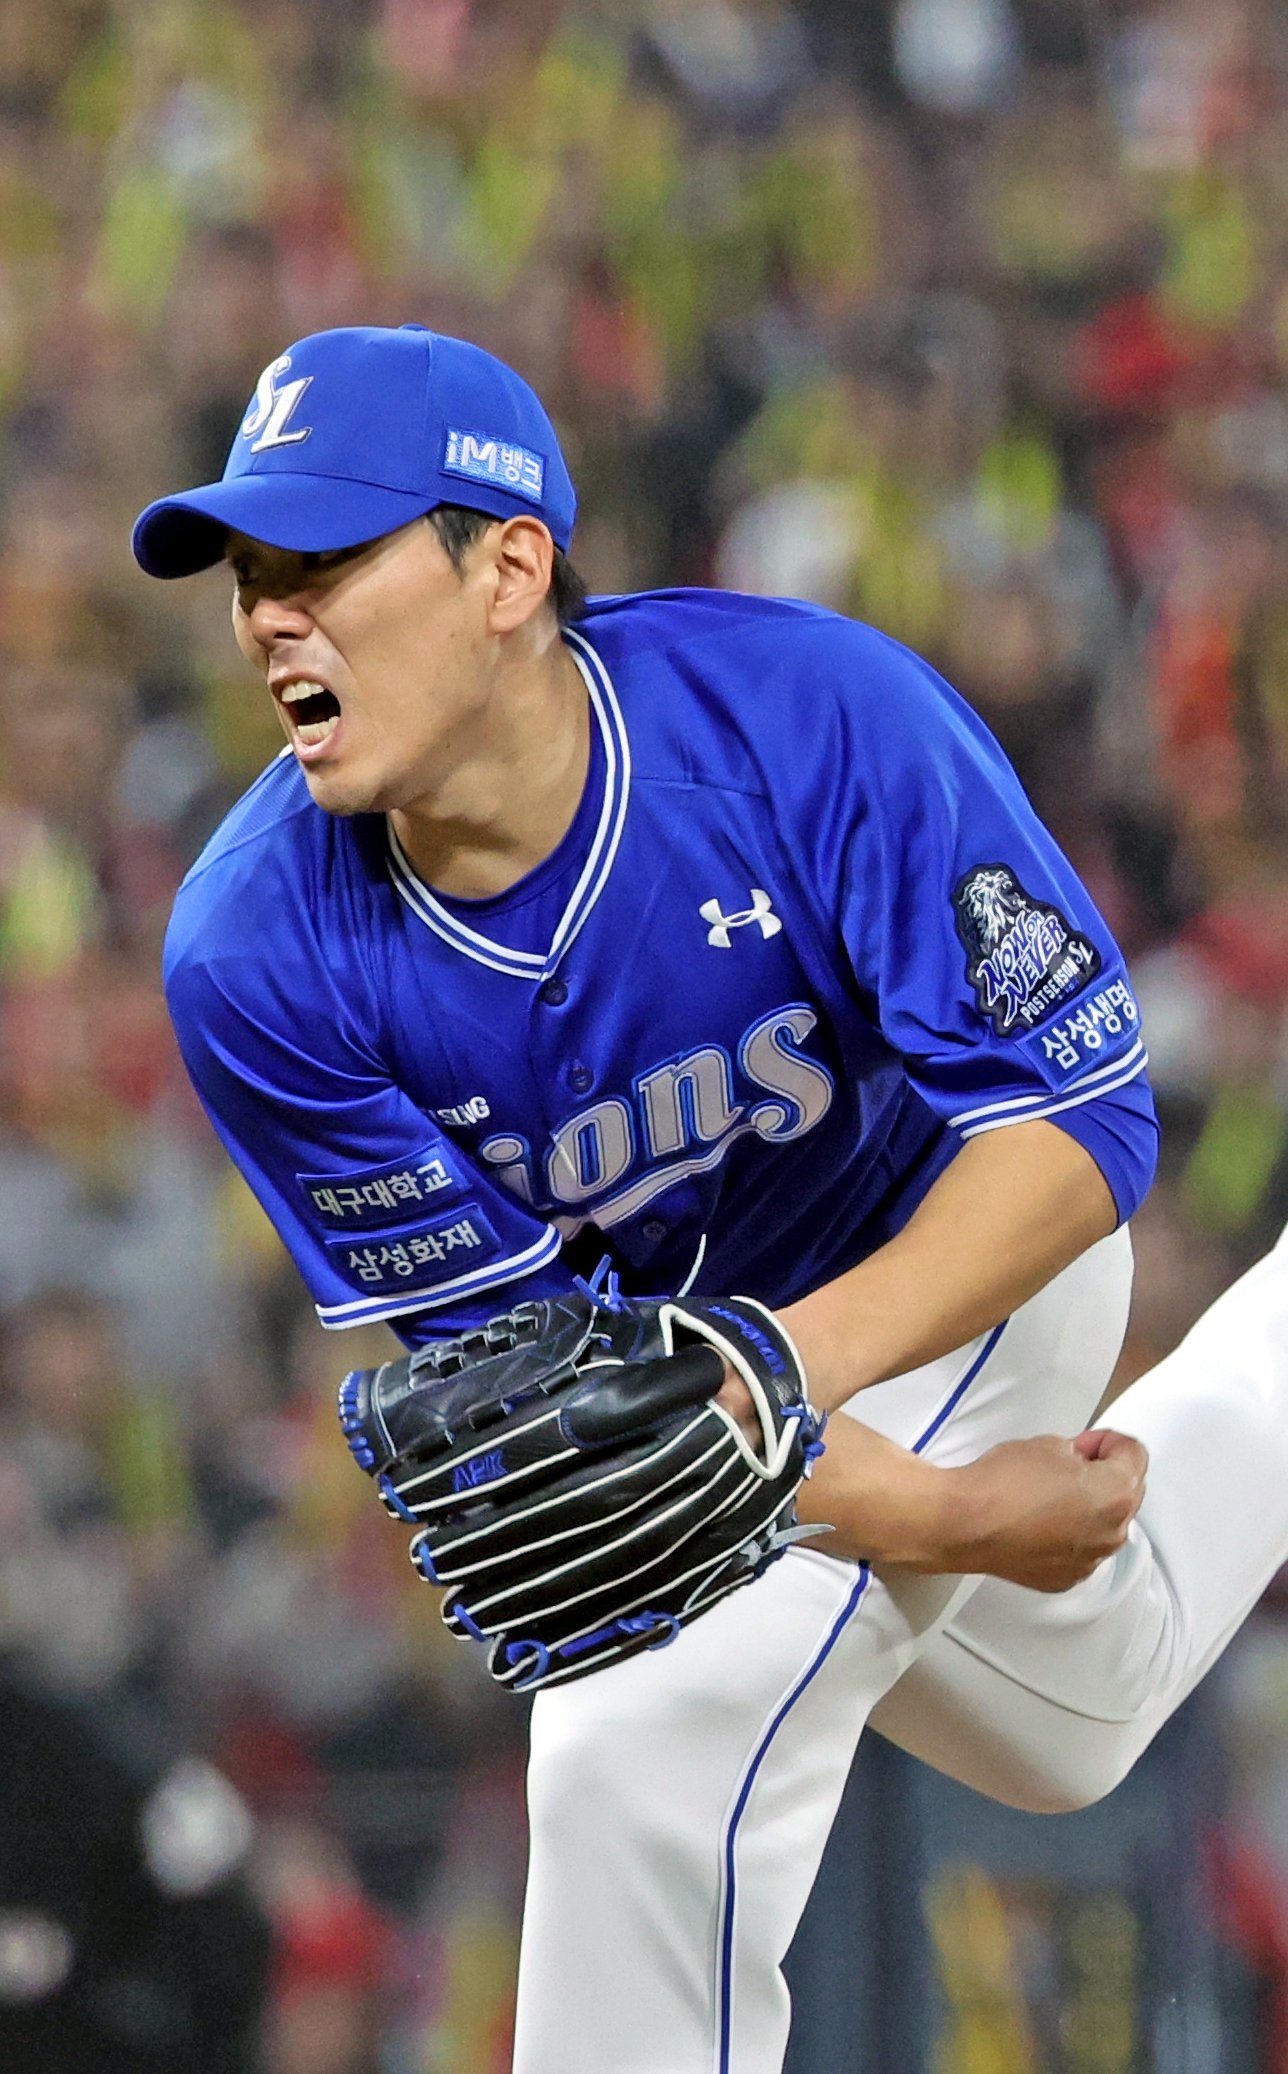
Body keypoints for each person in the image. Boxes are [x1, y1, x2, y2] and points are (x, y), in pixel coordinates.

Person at [131, 323, 1288, 2074]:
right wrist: (939, 1512)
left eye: (324, 562)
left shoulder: (805, 715)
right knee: (1084, 1711)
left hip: (957, 1254)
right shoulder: (256, 957)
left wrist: (785, 1389)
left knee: (633, 1742)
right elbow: (562, 1413)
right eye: (247, 578)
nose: (270, 617)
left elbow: (1079, 1129)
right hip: (696, 1405)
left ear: (510, 567)